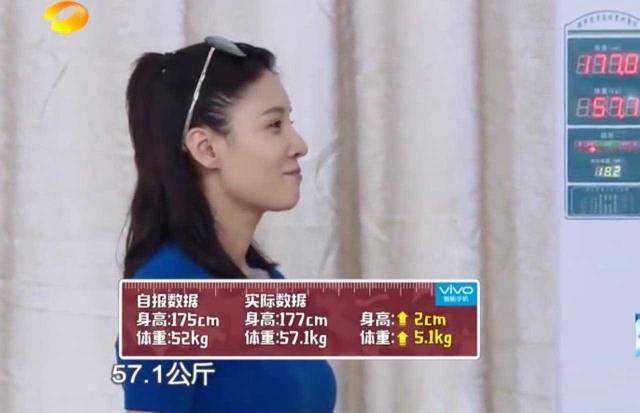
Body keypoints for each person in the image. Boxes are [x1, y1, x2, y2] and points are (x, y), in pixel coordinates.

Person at [113, 35, 337, 413]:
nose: (299, 144)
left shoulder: (265, 280)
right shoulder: (170, 291)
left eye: (290, 122)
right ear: (206, 148)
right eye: (274, 125)